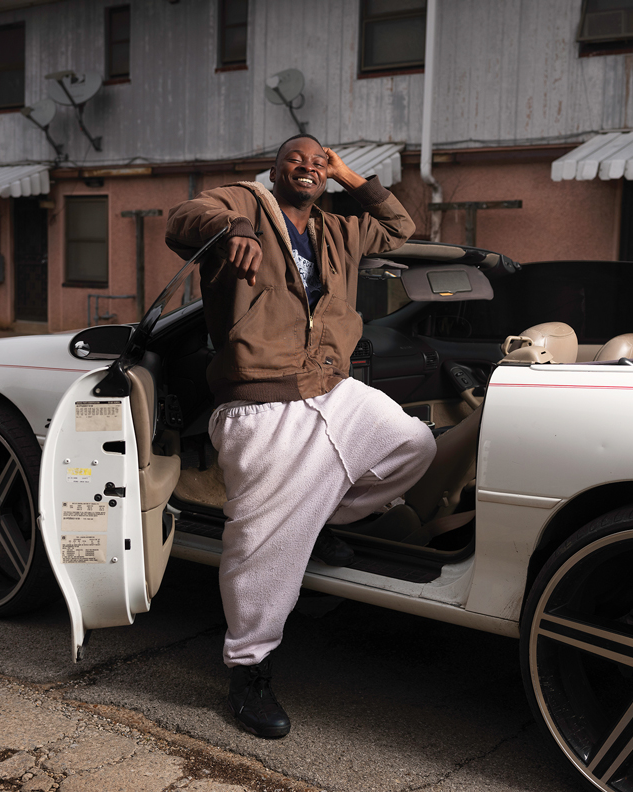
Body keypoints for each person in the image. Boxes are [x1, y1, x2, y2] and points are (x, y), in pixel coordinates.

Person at [164, 134, 436, 739]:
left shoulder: (338, 229)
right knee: (258, 548)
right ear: (275, 167)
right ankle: (249, 668)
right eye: (297, 159)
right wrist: (234, 229)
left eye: (319, 162)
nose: (308, 167)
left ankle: (319, 522)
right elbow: (183, 217)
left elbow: (399, 228)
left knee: (413, 444)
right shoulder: (244, 203)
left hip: (331, 387)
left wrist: (349, 175)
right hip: (259, 398)